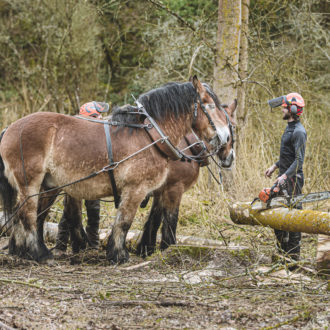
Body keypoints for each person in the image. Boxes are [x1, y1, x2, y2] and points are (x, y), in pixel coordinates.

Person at [55, 101, 109, 252]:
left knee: (93, 211)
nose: (101, 118)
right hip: (75, 180)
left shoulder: (100, 134)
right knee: (69, 212)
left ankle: (93, 245)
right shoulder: (73, 134)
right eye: (98, 116)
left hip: (94, 179)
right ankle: (61, 245)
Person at [265, 93, 307, 264]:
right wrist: (275, 166)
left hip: (293, 179)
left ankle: (293, 257)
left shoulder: (299, 132)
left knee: (294, 216)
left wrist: (284, 176)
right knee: (275, 212)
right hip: (283, 177)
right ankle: (282, 250)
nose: (281, 109)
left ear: (292, 110)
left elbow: (298, 161)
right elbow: (287, 155)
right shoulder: (289, 128)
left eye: (284, 107)